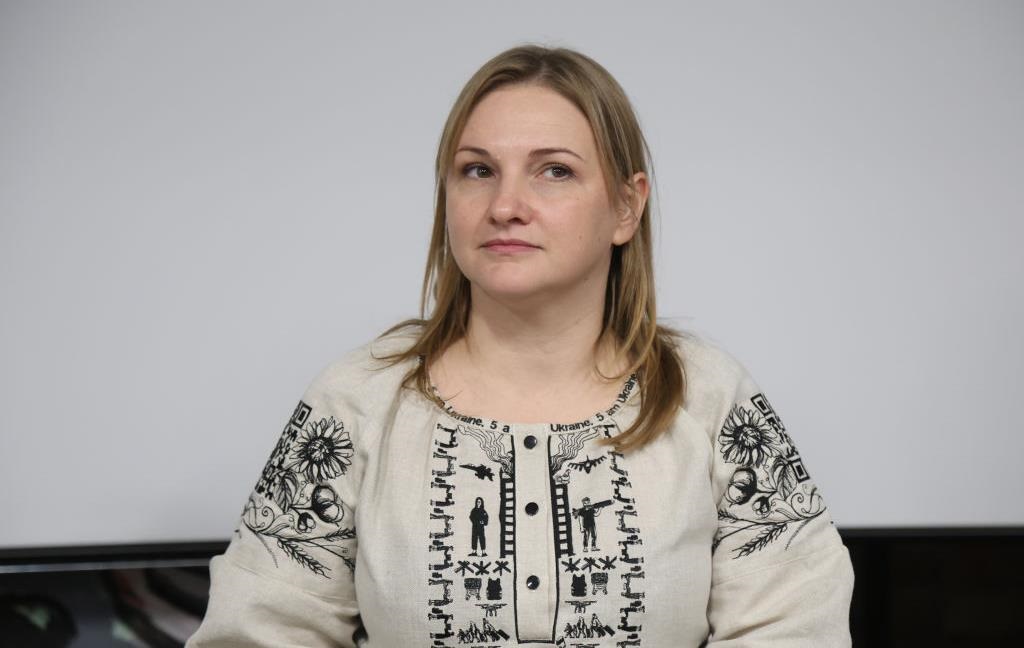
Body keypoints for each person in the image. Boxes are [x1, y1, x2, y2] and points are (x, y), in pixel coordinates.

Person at [187, 44, 854, 647]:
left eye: (554, 171)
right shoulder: (356, 400)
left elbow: (794, 627)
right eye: (477, 170)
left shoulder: (708, 400)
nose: (505, 205)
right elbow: (256, 631)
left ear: (626, 207)